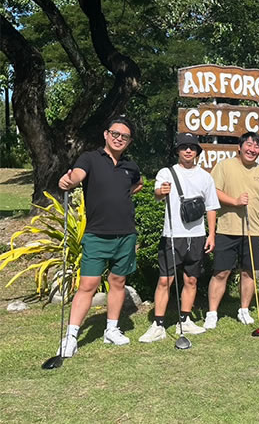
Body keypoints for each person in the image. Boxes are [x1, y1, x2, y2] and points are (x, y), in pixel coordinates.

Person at [57, 116, 144, 357]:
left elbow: (138, 183)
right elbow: (77, 176)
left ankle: (111, 330)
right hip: (97, 234)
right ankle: (71, 337)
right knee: (88, 285)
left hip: (125, 234)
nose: (119, 139)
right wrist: (69, 180)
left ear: (129, 141)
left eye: (124, 136)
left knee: (118, 282)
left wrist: (126, 191)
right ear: (106, 134)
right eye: (115, 134)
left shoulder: (130, 166)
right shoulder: (90, 158)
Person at [139, 133, 220, 343]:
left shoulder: (205, 177)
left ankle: (185, 320)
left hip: (197, 235)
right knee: (165, 280)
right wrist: (161, 191)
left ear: (197, 152)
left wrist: (211, 234)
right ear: (177, 151)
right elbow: (157, 194)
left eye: (192, 147)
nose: (188, 151)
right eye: (184, 147)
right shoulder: (166, 173)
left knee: (191, 280)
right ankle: (158, 324)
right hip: (172, 235)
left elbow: (211, 206)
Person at [203, 132, 259, 329]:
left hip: (253, 231)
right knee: (221, 272)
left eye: (256, 146)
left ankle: (244, 310)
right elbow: (213, 192)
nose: (252, 149)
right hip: (227, 229)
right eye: (248, 145)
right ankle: (212, 313)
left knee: (249, 273)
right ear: (239, 147)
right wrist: (234, 201)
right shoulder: (225, 166)